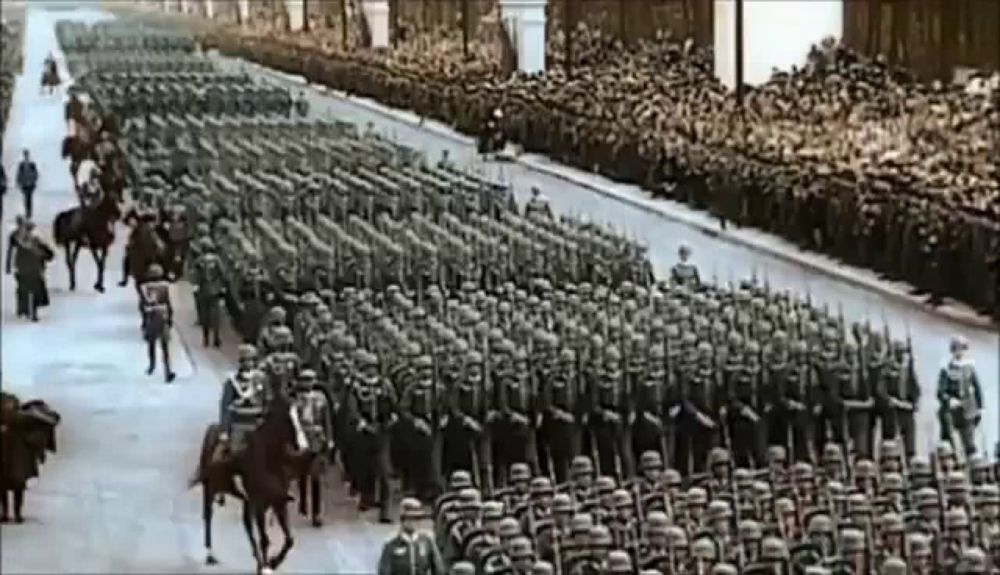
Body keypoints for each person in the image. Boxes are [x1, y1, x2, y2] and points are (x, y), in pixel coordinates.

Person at [937, 336, 983, 457]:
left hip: (967, 410)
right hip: (951, 409)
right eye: (958, 349)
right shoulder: (946, 368)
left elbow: (977, 389)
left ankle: (972, 466)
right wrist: (949, 400)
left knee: (970, 445)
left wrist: (979, 408)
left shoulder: (969, 367)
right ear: (953, 350)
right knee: (948, 442)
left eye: (963, 349)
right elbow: (940, 392)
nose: (960, 352)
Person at [378, 498, 444, 575]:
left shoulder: (427, 541)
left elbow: (439, 569)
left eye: (418, 518)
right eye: (412, 518)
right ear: (403, 520)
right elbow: (384, 571)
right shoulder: (391, 543)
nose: (416, 522)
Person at [6, 219, 52, 321]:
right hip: (33, 270)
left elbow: (11, 249)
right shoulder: (34, 241)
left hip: (23, 269)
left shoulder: (17, 239)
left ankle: (24, 309)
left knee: (24, 290)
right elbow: (47, 253)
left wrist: (8, 266)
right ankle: (32, 312)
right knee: (34, 291)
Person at [139, 263, 176, 383]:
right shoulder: (165, 286)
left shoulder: (144, 286)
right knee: (165, 346)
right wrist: (171, 318)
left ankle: (152, 365)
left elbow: (142, 304)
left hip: (151, 316)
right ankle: (168, 370)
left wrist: (144, 320)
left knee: (151, 343)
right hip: (163, 316)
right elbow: (169, 302)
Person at [16, 149, 38, 220]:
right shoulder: (21, 165)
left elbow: (36, 174)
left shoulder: (32, 164)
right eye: (25, 155)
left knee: (29, 199)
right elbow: (19, 174)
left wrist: (33, 181)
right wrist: (19, 182)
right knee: (26, 199)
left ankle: (29, 213)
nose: (26, 156)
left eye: (27, 154)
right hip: (24, 184)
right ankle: (27, 212)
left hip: (31, 185)